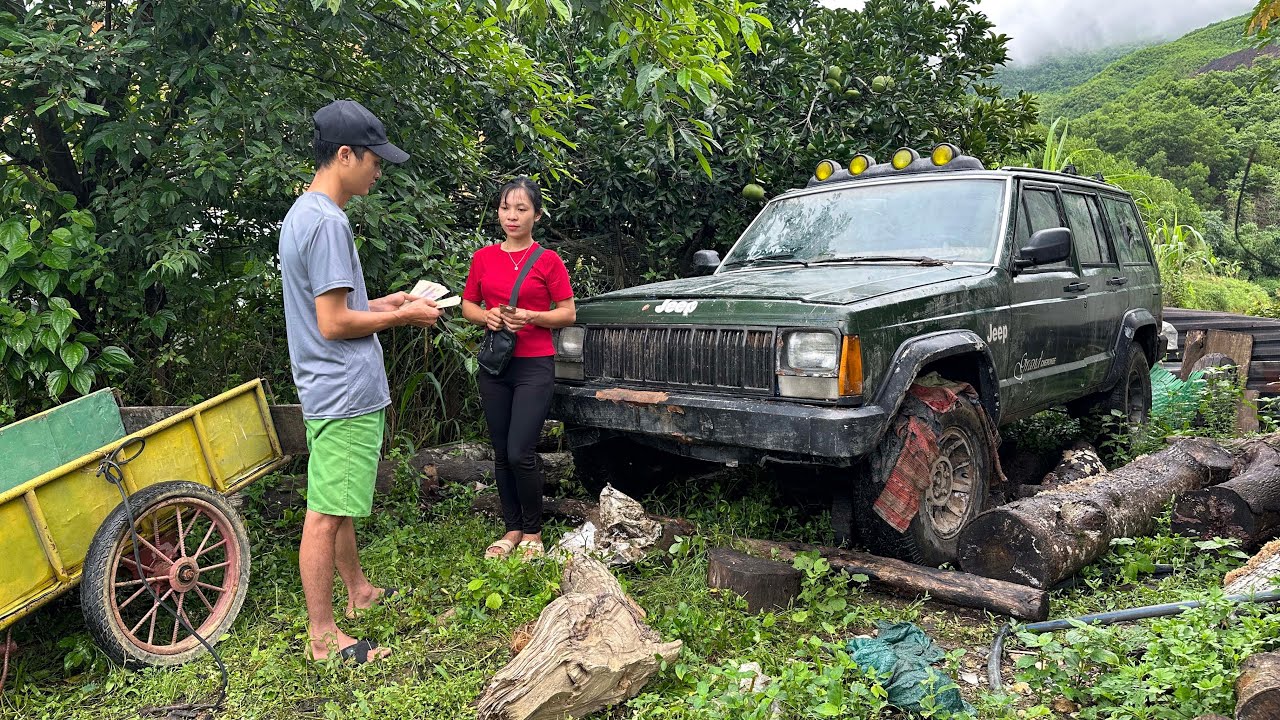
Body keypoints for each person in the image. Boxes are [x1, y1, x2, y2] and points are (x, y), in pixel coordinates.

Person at [279, 99, 441, 664]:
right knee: (324, 512)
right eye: (374, 160)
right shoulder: (327, 222)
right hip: (344, 391)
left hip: (326, 387)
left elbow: (336, 304)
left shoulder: (302, 214)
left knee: (336, 501)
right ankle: (324, 638)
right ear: (344, 155)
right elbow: (333, 322)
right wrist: (405, 317)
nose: (379, 170)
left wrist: (387, 300)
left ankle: (359, 593)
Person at [461, 177, 576, 560]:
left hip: (534, 366)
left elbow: (567, 313)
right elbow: (468, 305)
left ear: (537, 215)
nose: (512, 216)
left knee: (519, 452)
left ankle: (533, 533)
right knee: (499, 451)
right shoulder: (483, 258)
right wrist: (487, 317)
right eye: (506, 208)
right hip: (496, 365)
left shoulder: (547, 260)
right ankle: (511, 530)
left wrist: (533, 316)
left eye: (521, 209)